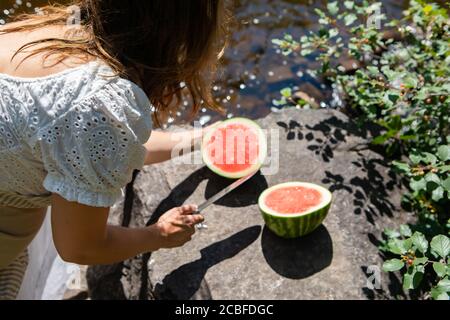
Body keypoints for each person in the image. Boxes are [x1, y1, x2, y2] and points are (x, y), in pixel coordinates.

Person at [0, 0, 229, 299]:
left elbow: (83, 145)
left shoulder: (52, 27)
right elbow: (80, 247)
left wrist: (201, 138)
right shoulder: (99, 102)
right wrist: (158, 234)